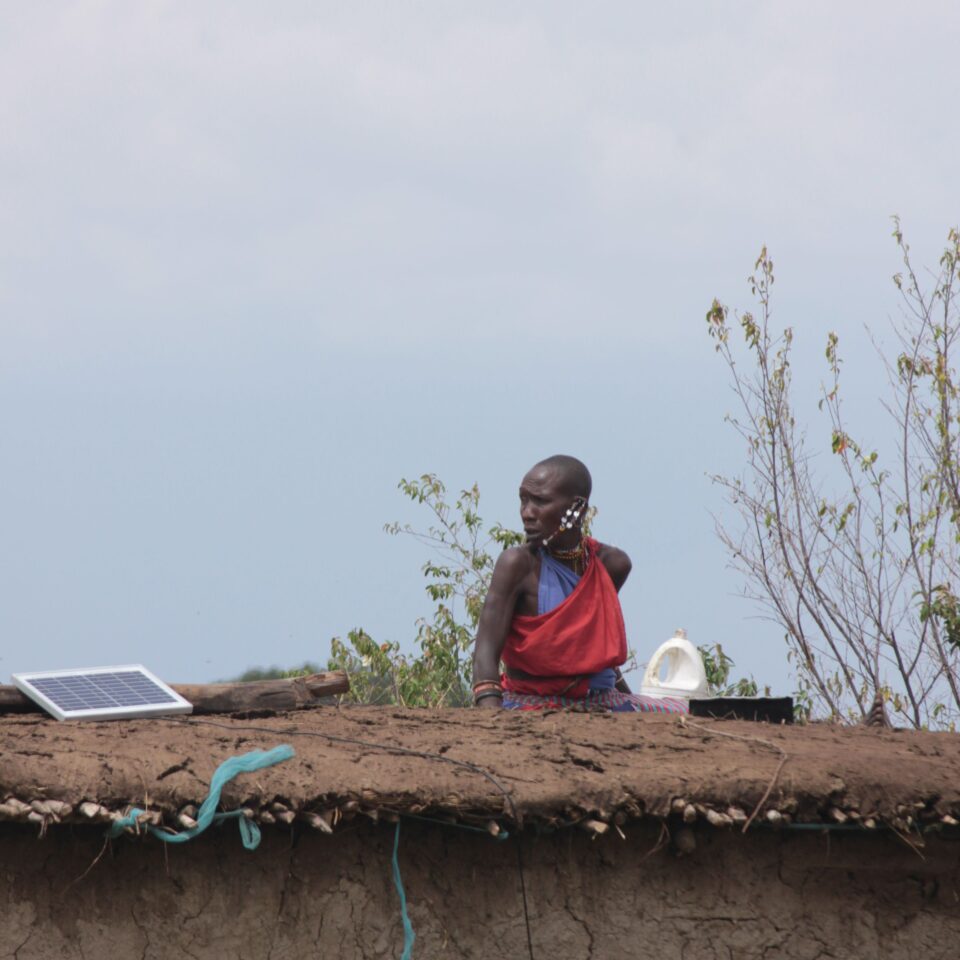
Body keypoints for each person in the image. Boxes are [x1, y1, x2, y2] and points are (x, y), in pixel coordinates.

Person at [471, 455, 688, 713]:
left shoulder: (612, 565)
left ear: (577, 508)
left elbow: (591, 651)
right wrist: (491, 716)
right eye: (523, 500)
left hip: (602, 701)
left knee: (687, 712)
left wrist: (633, 707)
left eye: (540, 501)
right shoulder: (517, 565)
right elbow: (485, 653)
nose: (527, 513)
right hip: (531, 703)